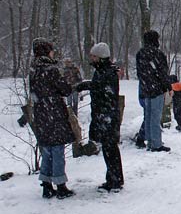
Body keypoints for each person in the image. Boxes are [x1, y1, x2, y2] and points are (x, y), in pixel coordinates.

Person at [29, 38, 76, 199]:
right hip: (54, 113)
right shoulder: (51, 70)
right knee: (57, 149)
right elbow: (65, 89)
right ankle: (60, 185)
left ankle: (46, 184)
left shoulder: (33, 70)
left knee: (47, 150)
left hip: (41, 113)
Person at [76, 43, 124, 192]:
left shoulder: (107, 73)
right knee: (109, 148)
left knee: (110, 149)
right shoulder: (104, 71)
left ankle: (114, 180)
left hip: (107, 116)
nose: (92, 58)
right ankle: (113, 178)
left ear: (101, 57)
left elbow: (105, 91)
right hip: (104, 115)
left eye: (94, 56)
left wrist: (88, 86)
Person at [136, 30, 172, 152]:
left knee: (148, 116)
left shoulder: (140, 54)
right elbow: (162, 72)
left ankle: (150, 141)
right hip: (156, 89)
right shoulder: (158, 54)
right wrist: (168, 86)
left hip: (146, 88)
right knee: (155, 117)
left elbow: (139, 73)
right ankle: (156, 143)